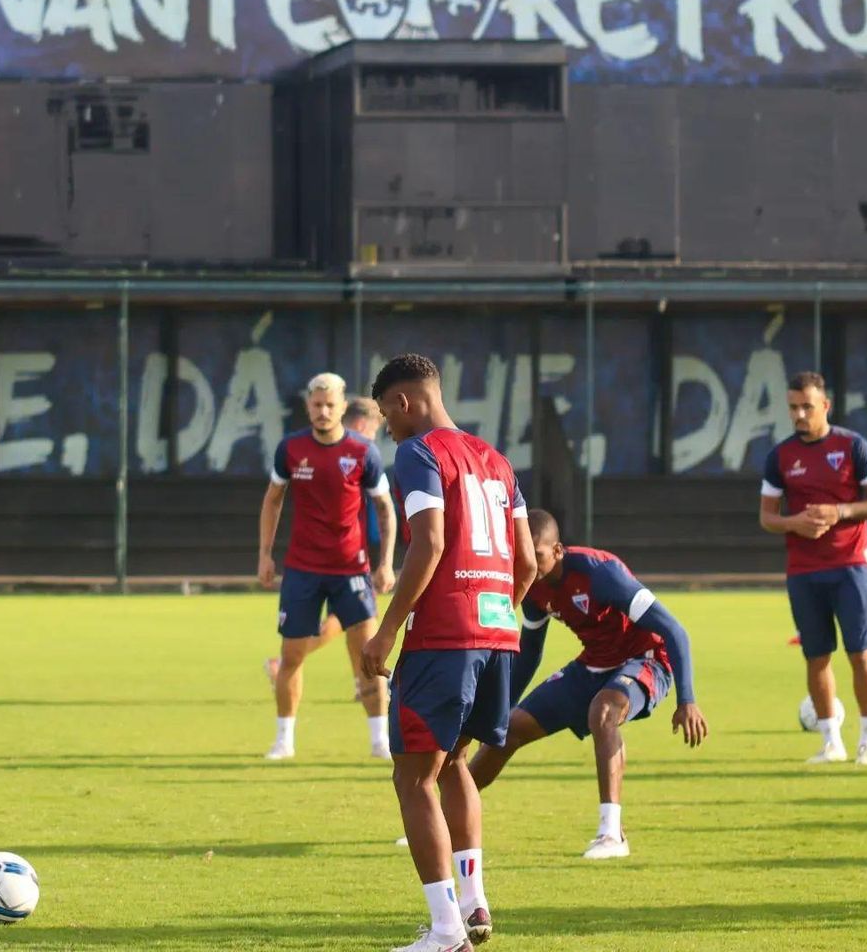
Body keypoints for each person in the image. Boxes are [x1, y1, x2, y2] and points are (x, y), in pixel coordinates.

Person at [361, 353, 537, 952]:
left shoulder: (418, 453)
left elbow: (429, 541)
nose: (387, 425)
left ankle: (445, 932)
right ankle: (473, 903)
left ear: (405, 402)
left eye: (387, 412)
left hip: (443, 637)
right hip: (497, 633)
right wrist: (498, 609)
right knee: (456, 763)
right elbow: (529, 561)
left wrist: (387, 630)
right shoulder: (497, 459)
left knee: (413, 777)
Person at [468, 509, 706, 860]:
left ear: (559, 551)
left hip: (647, 659)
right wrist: (498, 710)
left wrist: (686, 700)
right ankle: (443, 818)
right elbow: (530, 653)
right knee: (510, 729)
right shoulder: (532, 587)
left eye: (537, 555)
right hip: (593, 664)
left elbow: (674, 630)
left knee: (604, 711)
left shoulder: (601, 574)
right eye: (521, 555)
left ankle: (612, 834)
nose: (528, 563)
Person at [258, 372, 397, 761]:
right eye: (316, 405)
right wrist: (265, 554)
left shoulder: (363, 452)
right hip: (302, 569)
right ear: (308, 405)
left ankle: (379, 741)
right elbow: (272, 500)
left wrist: (385, 563)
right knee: (292, 656)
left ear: (340, 407)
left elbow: (386, 509)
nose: (322, 412)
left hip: (351, 570)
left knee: (368, 656)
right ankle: (284, 740)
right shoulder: (290, 449)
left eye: (329, 405)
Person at [759, 370, 867, 765]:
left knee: (861, 655)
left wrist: (841, 510)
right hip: (803, 571)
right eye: (793, 407)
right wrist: (794, 522)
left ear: (824, 406)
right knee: (816, 656)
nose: (799, 414)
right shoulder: (780, 456)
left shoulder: (853, 447)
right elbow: (766, 516)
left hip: (850, 566)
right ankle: (831, 741)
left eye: (806, 406)